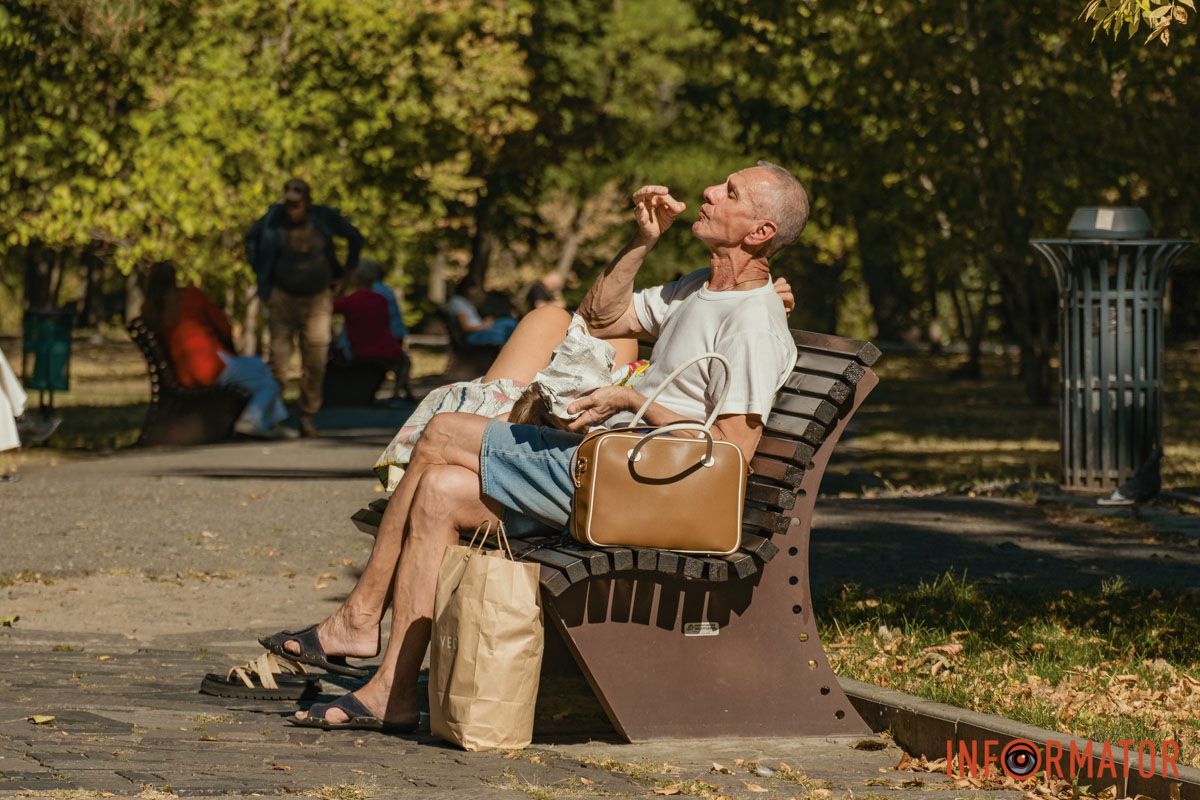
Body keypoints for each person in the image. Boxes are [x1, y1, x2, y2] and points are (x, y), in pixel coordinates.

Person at [268, 161, 808, 731]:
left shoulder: (753, 325)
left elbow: (731, 452)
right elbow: (599, 317)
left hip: (636, 488)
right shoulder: (700, 288)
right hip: (604, 469)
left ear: (760, 232)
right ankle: (391, 692)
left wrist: (632, 402)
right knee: (439, 490)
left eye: (730, 193)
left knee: (445, 432)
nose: (710, 191)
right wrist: (641, 241)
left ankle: (359, 618)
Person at [245, 178, 364, 438]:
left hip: (317, 298)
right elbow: (250, 238)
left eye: (296, 204)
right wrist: (261, 274)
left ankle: (308, 416)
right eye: (288, 203)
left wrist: (345, 273)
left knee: (316, 359)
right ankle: (273, 416)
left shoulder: (323, 217)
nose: (292, 210)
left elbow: (355, 237)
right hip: (282, 296)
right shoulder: (273, 219)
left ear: (307, 202)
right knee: (278, 361)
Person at [143, 263, 294, 440]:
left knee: (258, 366)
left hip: (183, 374)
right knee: (266, 379)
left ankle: (267, 425)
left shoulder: (149, 311)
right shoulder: (190, 296)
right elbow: (223, 325)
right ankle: (253, 420)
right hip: (211, 367)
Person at [332, 265, 413, 401]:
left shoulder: (350, 300)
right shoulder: (382, 299)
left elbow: (329, 309)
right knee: (404, 362)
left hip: (359, 349)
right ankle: (396, 393)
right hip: (384, 349)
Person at [443, 277, 518, 347]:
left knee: (510, 323)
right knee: (501, 333)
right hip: (474, 333)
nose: (476, 292)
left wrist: (485, 322)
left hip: (481, 327)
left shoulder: (464, 301)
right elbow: (466, 327)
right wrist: (483, 326)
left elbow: (473, 319)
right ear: (468, 289)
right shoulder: (457, 303)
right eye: (474, 289)